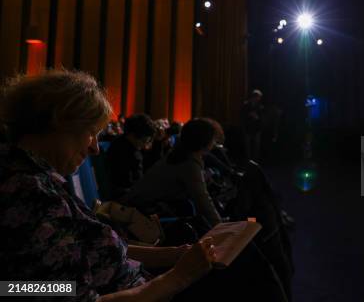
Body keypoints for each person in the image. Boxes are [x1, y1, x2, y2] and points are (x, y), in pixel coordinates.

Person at [0, 70, 215, 301]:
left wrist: (172, 256)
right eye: (91, 133)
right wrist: (178, 278)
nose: (96, 148)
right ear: (59, 122)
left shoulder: (36, 177)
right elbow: (20, 289)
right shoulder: (26, 194)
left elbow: (90, 247)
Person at [122, 118, 222, 227]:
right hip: (142, 211)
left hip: (138, 203)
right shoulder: (189, 164)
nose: (214, 142)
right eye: (213, 139)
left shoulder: (179, 155)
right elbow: (203, 202)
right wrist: (220, 227)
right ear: (205, 141)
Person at [106, 114, 156, 200]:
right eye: (144, 141)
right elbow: (128, 184)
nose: (145, 146)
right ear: (132, 135)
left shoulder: (126, 144)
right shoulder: (123, 152)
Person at [241, 89, 264, 161]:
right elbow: (242, 116)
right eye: (258, 97)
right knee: (248, 146)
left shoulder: (260, 106)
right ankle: (248, 160)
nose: (259, 99)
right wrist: (249, 115)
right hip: (248, 128)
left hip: (256, 128)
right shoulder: (246, 105)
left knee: (256, 145)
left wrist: (257, 117)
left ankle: (255, 160)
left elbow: (262, 118)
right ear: (254, 97)